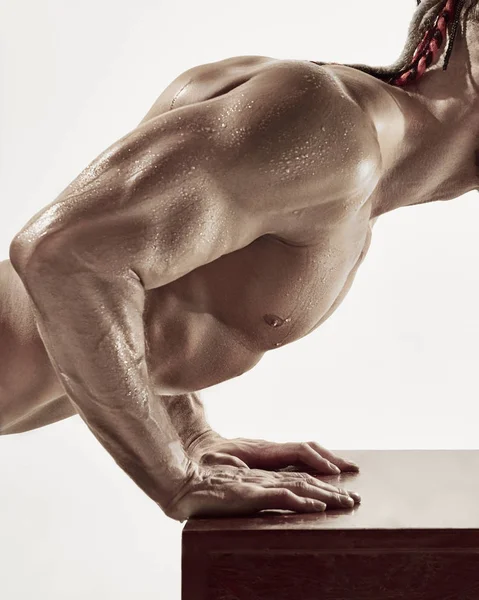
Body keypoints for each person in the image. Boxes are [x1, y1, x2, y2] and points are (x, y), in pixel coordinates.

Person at [2, 0, 478, 521]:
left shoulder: (344, 147)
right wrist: (175, 478)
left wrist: (187, 433)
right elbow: (66, 260)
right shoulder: (329, 128)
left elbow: (148, 288)